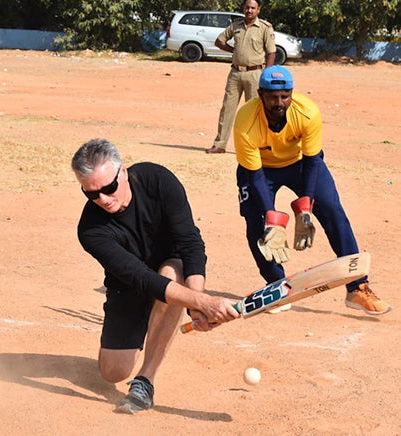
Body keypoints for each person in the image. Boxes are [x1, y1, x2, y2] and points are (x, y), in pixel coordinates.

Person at [72, 138, 239, 414]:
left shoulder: (157, 180)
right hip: (129, 285)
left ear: (122, 172)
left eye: (109, 187)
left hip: (171, 268)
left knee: (171, 274)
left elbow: (190, 243)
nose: (103, 199)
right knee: (113, 372)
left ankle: (145, 380)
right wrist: (200, 303)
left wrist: (196, 303)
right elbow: (140, 278)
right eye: (91, 194)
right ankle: (153, 319)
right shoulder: (90, 230)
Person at [233, 65, 391, 316]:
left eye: (285, 96)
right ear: (261, 94)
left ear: (291, 94)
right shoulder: (245, 121)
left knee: (333, 211)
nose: (279, 102)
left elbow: (312, 160)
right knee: (258, 225)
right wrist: (272, 219)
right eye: (273, 97)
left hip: (301, 165)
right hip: (261, 170)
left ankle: (357, 287)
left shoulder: (307, 112)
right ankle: (277, 288)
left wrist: (305, 208)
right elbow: (254, 175)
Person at [206, 0, 276, 154]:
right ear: (243, 9)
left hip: (255, 74)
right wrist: (234, 51)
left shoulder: (265, 27)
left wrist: (267, 74)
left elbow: (271, 52)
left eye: (253, 8)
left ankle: (256, 144)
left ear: (258, 10)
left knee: (255, 110)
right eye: (247, 7)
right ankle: (220, 144)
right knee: (227, 109)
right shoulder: (236, 25)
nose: (249, 10)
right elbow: (219, 41)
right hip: (235, 73)